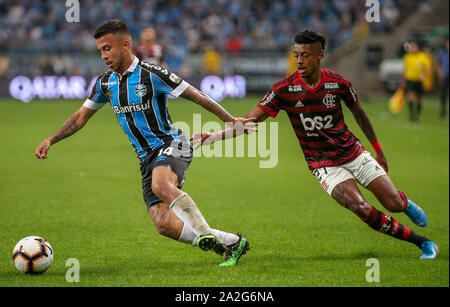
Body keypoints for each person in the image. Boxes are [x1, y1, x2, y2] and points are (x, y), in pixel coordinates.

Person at [192, 30, 439, 260]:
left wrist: (378, 149)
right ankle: (422, 243)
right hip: (322, 164)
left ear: (320, 55)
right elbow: (248, 120)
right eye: (296, 55)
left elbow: (360, 115)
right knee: (360, 206)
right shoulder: (284, 89)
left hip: (353, 152)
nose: (299, 61)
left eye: (305, 55)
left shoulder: (339, 83)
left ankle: (403, 202)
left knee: (392, 204)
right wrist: (213, 137)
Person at [35, 19, 253, 267]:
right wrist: (51, 139)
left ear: (125, 45)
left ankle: (203, 232)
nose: (103, 56)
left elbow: (197, 95)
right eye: (100, 51)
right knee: (163, 225)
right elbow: (80, 117)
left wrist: (231, 120)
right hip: (145, 158)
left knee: (161, 184)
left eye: (108, 48)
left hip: (173, 142)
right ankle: (232, 243)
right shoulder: (105, 83)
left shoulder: (153, 74)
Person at [401, 40, 432, 122]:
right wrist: (403, 80)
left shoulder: (423, 56)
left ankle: (418, 114)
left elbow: (428, 69)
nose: (412, 48)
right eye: (411, 46)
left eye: (413, 46)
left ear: (417, 47)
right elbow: (405, 69)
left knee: (419, 99)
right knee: (410, 97)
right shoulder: (407, 57)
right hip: (410, 80)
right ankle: (411, 115)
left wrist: (424, 75)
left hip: (419, 81)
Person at [436, 37, 449, 119]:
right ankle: (443, 112)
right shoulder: (442, 52)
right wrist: (440, 72)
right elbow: (437, 63)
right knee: (443, 94)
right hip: (445, 76)